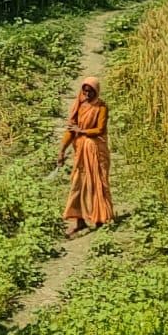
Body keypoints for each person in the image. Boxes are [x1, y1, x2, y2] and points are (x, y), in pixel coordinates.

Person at [59, 76, 115, 237]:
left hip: (96, 151)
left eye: (91, 91)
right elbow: (71, 130)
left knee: (98, 183)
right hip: (81, 152)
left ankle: (100, 219)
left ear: (96, 91)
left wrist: (81, 131)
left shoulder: (101, 107)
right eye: (85, 90)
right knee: (79, 184)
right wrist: (62, 151)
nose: (87, 94)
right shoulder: (79, 105)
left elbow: (100, 129)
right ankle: (79, 221)